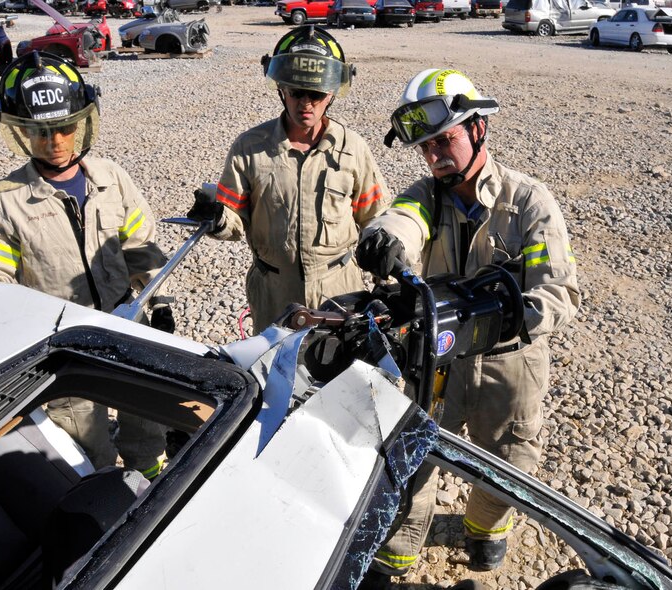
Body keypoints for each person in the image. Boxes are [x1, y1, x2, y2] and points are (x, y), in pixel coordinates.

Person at [355, 68, 580, 584]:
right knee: (413, 457)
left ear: (478, 128)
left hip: (512, 362)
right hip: (439, 358)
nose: (434, 156)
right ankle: (397, 556)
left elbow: (560, 293)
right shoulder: (426, 195)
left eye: (444, 140)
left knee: (509, 459)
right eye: (425, 147)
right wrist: (383, 237)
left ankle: (484, 530)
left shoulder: (528, 203)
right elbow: (403, 219)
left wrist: (503, 317)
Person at [0, 51, 174, 480]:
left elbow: (141, 248)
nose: (55, 141)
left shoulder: (110, 178)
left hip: (125, 322)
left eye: (64, 127)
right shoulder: (6, 201)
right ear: (21, 131)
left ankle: (152, 480)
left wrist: (160, 302)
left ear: (82, 121)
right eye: (41, 132)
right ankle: (102, 502)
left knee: (145, 420)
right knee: (81, 442)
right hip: (63, 345)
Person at [187, 25, 389, 335]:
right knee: (273, 364)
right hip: (274, 294)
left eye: (316, 94)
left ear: (332, 93)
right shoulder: (249, 148)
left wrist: (384, 283)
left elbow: (377, 219)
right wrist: (216, 219)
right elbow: (235, 220)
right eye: (296, 92)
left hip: (340, 292)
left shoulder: (353, 149)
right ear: (282, 89)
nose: (305, 103)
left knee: (339, 364)